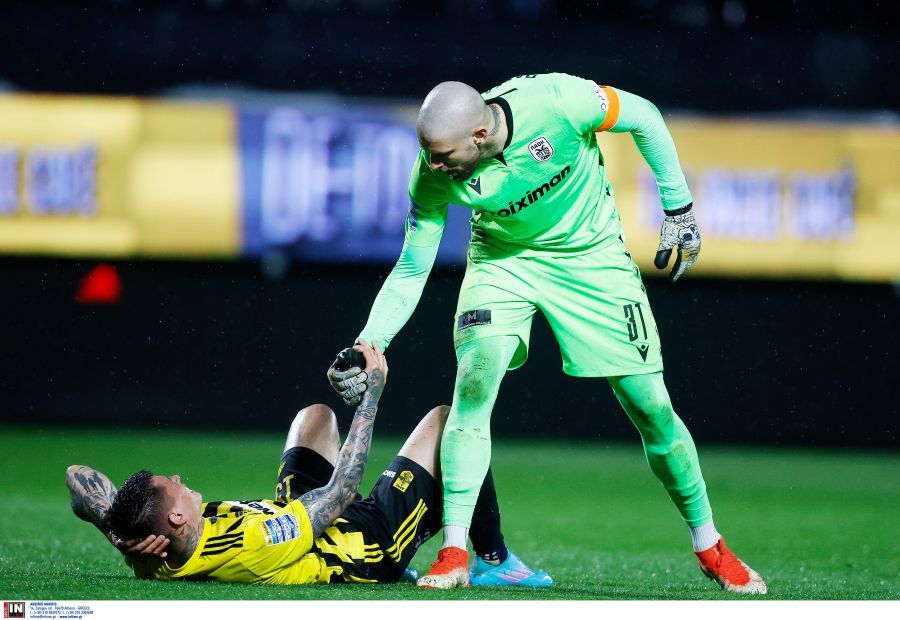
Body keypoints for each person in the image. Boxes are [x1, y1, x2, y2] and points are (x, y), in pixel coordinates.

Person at [327, 74, 766, 593]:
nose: (434, 165)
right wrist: (371, 340)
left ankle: (710, 545)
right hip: (502, 261)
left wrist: (679, 207)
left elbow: (644, 116)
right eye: (429, 154)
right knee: (474, 383)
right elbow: (412, 265)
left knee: (651, 407)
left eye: (443, 155)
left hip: (590, 257)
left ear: (480, 135)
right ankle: (455, 553)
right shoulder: (431, 174)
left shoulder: (558, 101)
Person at [66, 340, 551, 587]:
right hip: (366, 540)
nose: (177, 478)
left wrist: (114, 530)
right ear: (175, 516)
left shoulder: (154, 547)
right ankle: (494, 559)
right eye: (171, 486)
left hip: (301, 514)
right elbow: (341, 492)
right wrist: (372, 396)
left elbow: (78, 478)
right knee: (448, 421)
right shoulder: (252, 545)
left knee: (315, 416)